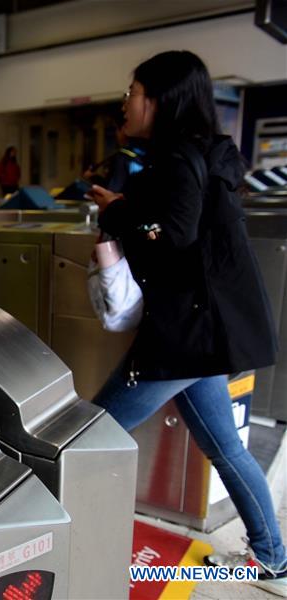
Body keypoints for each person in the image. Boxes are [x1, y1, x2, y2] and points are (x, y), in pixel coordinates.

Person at [87, 50, 285, 596]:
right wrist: (132, 205)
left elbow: (172, 234)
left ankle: (55, 543)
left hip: (184, 336)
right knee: (226, 447)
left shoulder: (175, 159)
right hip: (206, 333)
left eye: (132, 91)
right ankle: (272, 555)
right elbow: (186, 227)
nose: (125, 101)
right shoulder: (204, 154)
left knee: (86, 434)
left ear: (159, 99)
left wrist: (119, 211)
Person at [83, 117, 146, 193]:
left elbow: (112, 191)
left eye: (116, 129)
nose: (116, 134)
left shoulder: (123, 156)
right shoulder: (143, 152)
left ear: (124, 129)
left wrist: (93, 177)